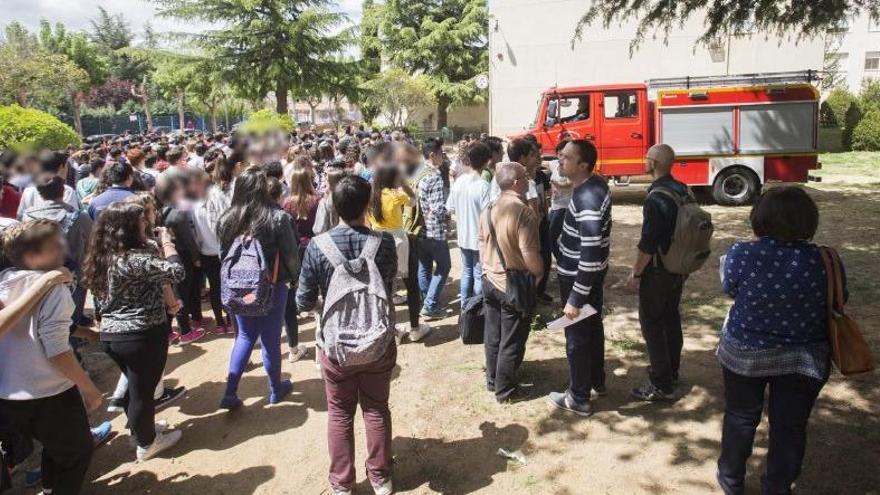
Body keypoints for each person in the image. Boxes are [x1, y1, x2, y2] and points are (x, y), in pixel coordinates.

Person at [716, 187, 840, 495]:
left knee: (741, 417)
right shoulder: (826, 259)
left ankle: (731, 480)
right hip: (804, 358)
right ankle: (778, 487)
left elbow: (729, 288)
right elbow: (839, 299)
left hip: (745, 354)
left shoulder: (742, 253)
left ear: (760, 217)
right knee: (790, 426)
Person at [296, 175, 397, 495]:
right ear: (368, 205)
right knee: (376, 408)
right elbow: (390, 282)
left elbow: (303, 300)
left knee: (339, 412)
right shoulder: (384, 243)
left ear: (332, 206)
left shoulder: (317, 246)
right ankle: (381, 478)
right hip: (378, 341)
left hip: (335, 346)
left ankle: (342, 484)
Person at [0, 220, 101, 495]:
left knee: (54, 447)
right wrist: (89, 388)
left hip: (9, 394)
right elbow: (56, 350)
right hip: (49, 393)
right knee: (77, 453)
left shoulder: (5, 280)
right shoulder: (55, 287)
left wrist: (83, 333)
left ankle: (48, 486)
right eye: (54, 244)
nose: (62, 248)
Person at [83, 202, 185, 461]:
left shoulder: (102, 256)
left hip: (113, 335)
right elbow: (176, 272)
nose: (146, 224)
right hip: (141, 334)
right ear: (128, 228)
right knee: (143, 392)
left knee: (135, 389)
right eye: (141, 221)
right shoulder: (135, 259)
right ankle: (147, 444)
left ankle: (140, 432)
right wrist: (167, 243)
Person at [217, 167, 299, 410]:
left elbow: (223, 256)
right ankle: (275, 390)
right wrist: (294, 278)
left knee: (244, 336)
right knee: (271, 339)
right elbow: (291, 255)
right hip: (273, 285)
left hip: (239, 287)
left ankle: (230, 392)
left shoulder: (226, 218)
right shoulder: (278, 217)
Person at [547, 139, 611, 417]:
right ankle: (596, 380)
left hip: (578, 279)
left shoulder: (587, 199)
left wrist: (575, 299)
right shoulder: (593, 185)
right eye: (560, 156)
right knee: (592, 329)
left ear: (583, 164)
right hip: (587, 277)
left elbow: (591, 251)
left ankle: (579, 397)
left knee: (577, 338)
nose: (560, 161)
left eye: (566, 157)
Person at [624, 144, 689, 401]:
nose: (644, 161)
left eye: (647, 158)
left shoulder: (657, 197)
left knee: (652, 324)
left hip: (659, 271)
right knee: (671, 319)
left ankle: (661, 383)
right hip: (678, 268)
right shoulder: (682, 189)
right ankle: (672, 371)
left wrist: (636, 274)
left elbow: (648, 243)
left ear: (654, 163)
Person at [479, 162, 544, 403]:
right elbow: (530, 254)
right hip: (512, 283)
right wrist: (538, 274)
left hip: (489, 279)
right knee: (512, 339)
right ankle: (505, 390)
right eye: (526, 176)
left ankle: (493, 380)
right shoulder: (523, 212)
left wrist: (486, 268)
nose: (529, 180)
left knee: (493, 334)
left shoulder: (489, 208)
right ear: (516, 182)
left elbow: (480, 242)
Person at [369, 164, 429, 342]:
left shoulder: (371, 195)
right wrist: (404, 184)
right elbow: (413, 200)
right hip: (398, 240)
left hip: (377, 240)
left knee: (385, 288)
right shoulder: (396, 195)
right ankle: (415, 327)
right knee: (411, 285)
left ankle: (391, 330)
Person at [156, 175, 206, 345]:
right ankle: (185, 330)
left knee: (174, 292)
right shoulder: (179, 212)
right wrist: (196, 258)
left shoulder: (161, 210)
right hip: (181, 256)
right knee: (182, 292)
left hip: (167, 253)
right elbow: (188, 239)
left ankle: (170, 330)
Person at [281, 166, 321, 362]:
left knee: (299, 281)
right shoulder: (317, 200)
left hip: (297, 247)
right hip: (315, 245)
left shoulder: (286, 203)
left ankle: (301, 305)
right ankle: (313, 307)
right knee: (316, 283)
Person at [445, 142, 492, 305]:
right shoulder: (484, 186)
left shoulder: (459, 182)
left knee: (466, 272)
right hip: (480, 238)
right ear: (486, 162)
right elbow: (488, 215)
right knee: (479, 274)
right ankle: (477, 308)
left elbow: (449, 207)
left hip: (464, 236)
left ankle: (465, 308)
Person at [416, 138, 451, 320]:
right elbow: (437, 208)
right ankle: (430, 305)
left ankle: (428, 300)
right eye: (441, 154)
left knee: (424, 266)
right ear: (432, 155)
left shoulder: (417, 172)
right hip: (434, 230)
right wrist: (449, 211)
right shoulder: (434, 176)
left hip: (419, 229)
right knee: (444, 266)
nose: (443, 157)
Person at [16, 152, 81, 220]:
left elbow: (20, 216)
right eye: (67, 166)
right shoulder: (66, 190)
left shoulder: (28, 189)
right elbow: (73, 218)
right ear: (62, 166)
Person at [547, 139, 573, 262]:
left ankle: (562, 261)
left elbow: (569, 185)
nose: (561, 157)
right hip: (554, 207)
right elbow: (541, 163)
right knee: (551, 237)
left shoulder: (571, 168)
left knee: (552, 237)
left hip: (564, 208)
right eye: (559, 154)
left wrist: (554, 184)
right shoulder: (554, 164)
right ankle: (562, 261)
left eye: (565, 155)